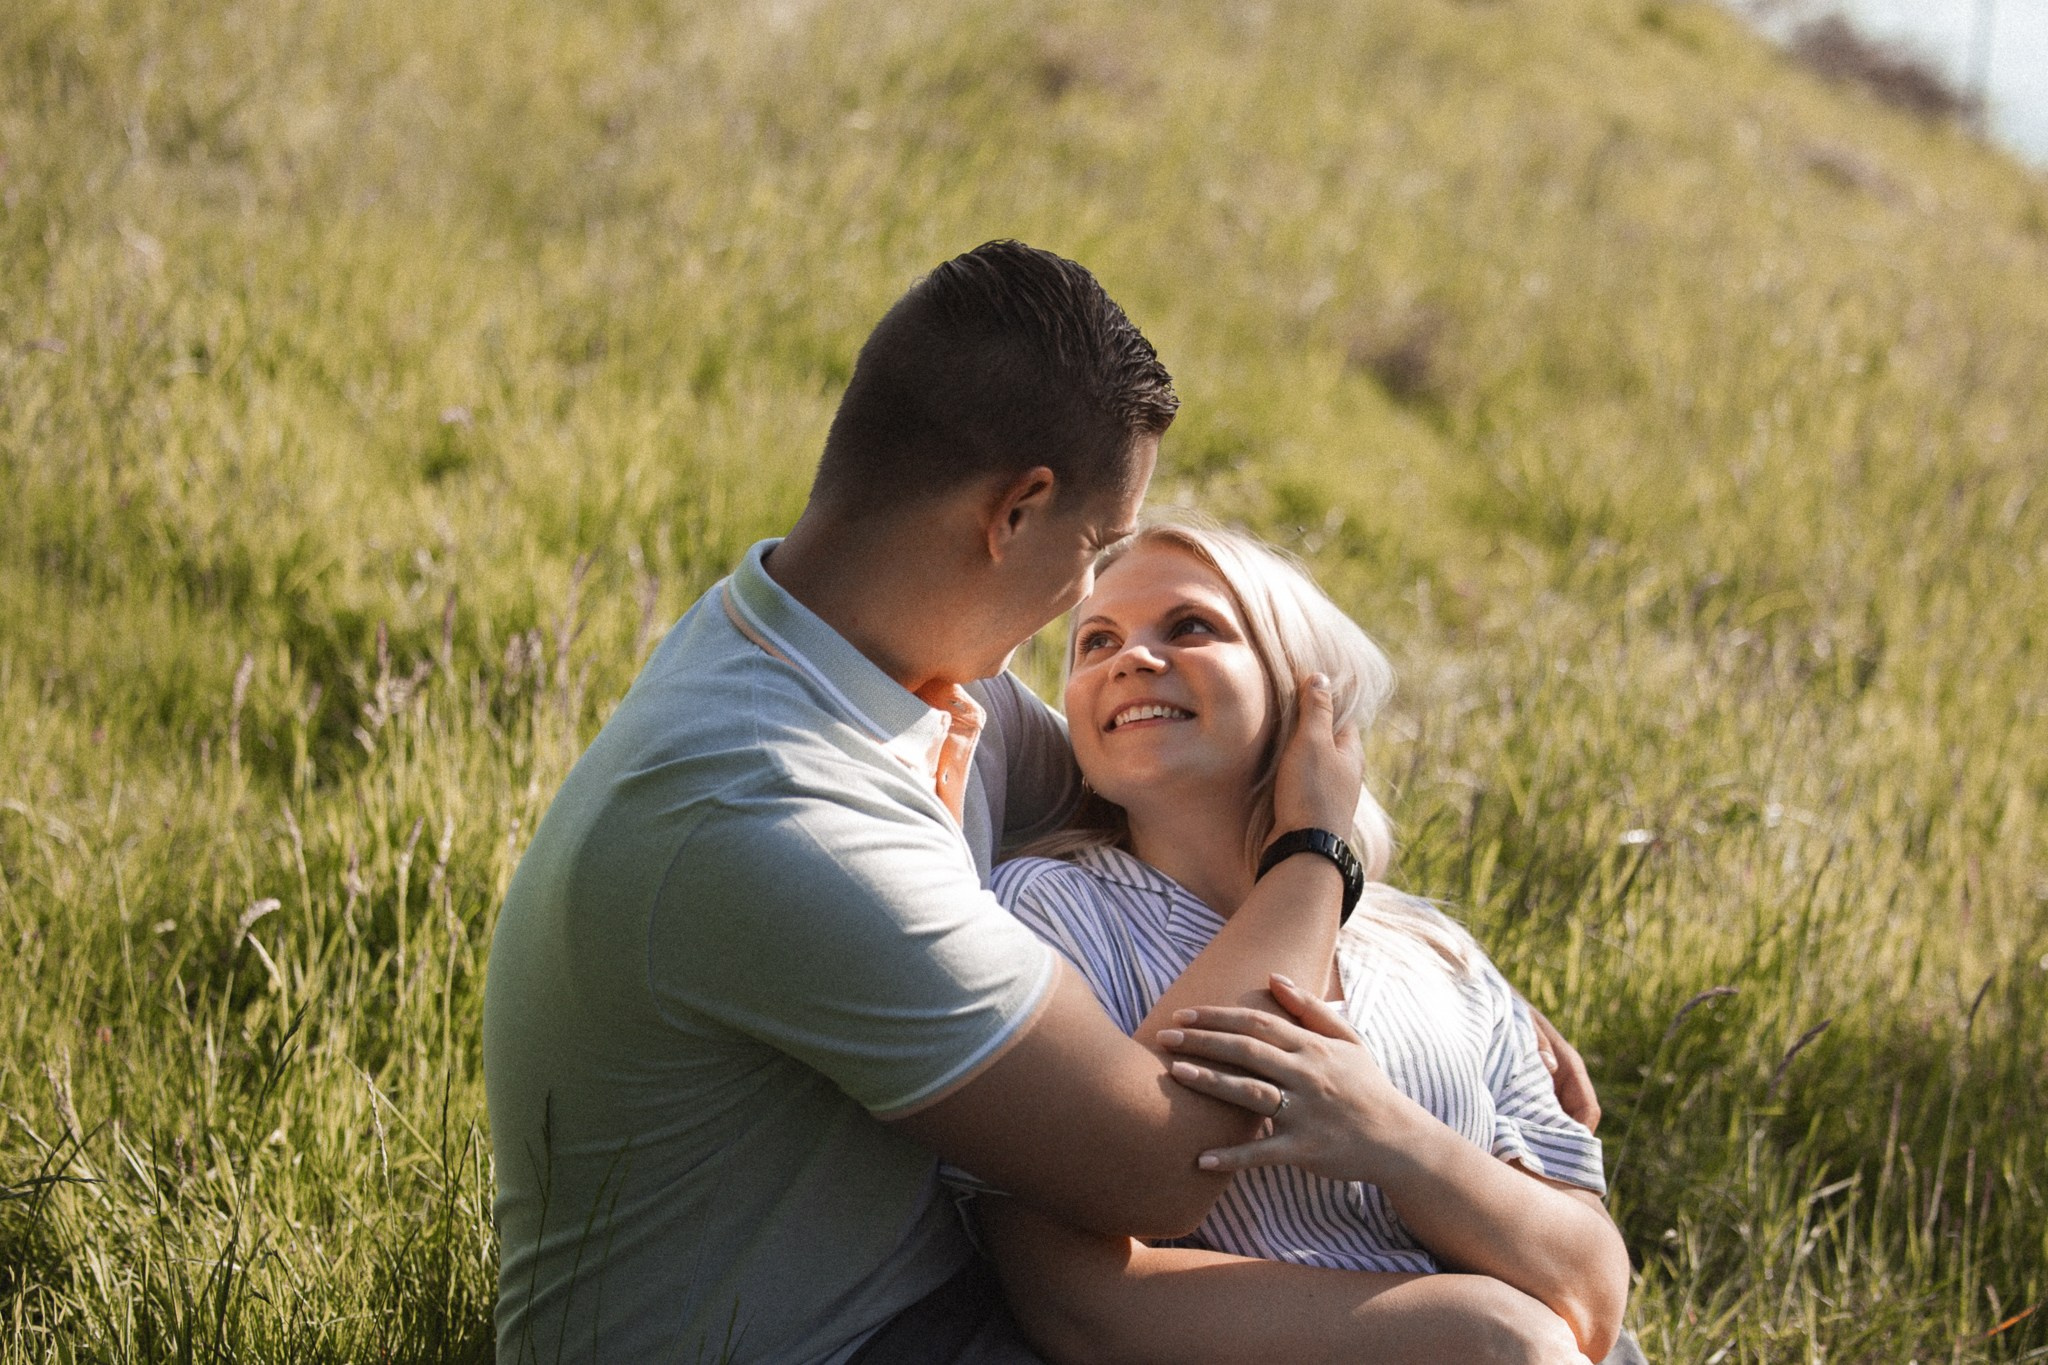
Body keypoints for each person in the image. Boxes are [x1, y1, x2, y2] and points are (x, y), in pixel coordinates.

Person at [483, 239, 1601, 1363]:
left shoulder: (867, 667)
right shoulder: (775, 810)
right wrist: (1313, 862)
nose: (1088, 603)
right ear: (1014, 511)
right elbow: (1160, 1163)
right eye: (1097, 551)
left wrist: (1424, 973)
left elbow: (1163, 781)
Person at [973, 520, 1638, 1364]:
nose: (1128, 658)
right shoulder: (1050, 913)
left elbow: (1593, 1291)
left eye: (1189, 627)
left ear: (1304, 692)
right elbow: (1073, 1304)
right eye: (1094, 641)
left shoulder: (1433, 950)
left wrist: (1397, 1139)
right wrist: (1471, 1332)